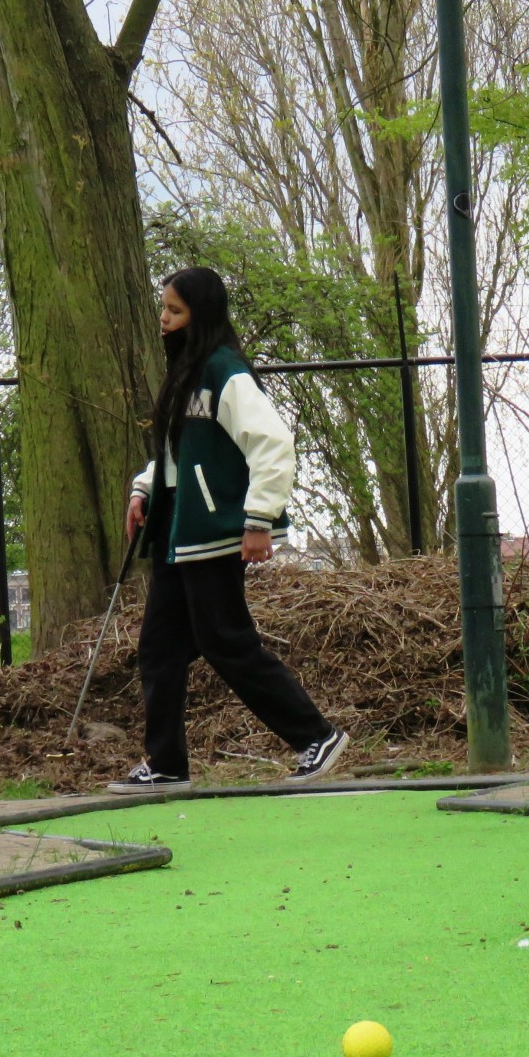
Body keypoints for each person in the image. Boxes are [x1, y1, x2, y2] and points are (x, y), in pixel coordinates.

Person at [110, 266, 347, 794]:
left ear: (201, 314)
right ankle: (166, 764)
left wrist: (259, 519)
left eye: (174, 311)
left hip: (213, 532)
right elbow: (177, 452)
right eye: (164, 310)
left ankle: (317, 736)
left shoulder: (225, 371)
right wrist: (144, 488)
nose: (164, 321)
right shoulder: (185, 376)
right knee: (159, 648)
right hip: (177, 530)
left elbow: (273, 443)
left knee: (225, 642)